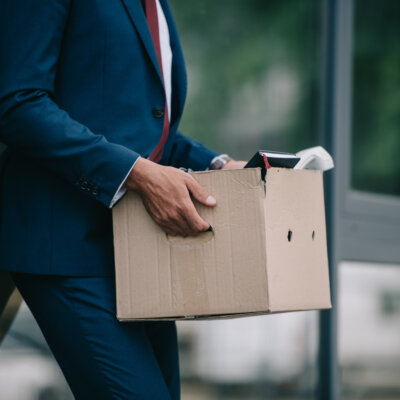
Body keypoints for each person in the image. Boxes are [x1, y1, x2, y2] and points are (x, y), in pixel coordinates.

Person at [0, 0, 245, 398]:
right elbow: (17, 103)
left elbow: (138, 127)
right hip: (64, 244)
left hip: (138, 249)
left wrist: (218, 164)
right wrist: (136, 174)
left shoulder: (158, 6)